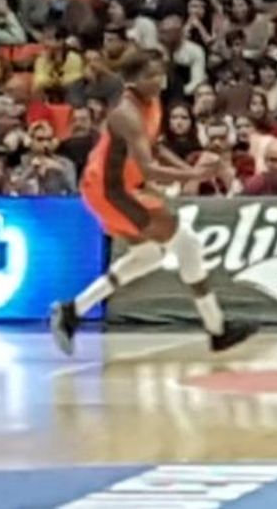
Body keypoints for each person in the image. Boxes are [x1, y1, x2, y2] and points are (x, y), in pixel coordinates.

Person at [48, 51, 256, 356]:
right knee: (186, 243)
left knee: (150, 255)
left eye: (161, 74)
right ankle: (217, 329)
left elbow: (155, 147)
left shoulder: (154, 102)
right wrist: (194, 174)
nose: (159, 81)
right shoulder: (126, 114)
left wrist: (188, 167)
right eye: (151, 76)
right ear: (133, 81)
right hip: (109, 190)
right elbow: (148, 168)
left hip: (122, 187)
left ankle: (72, 310)